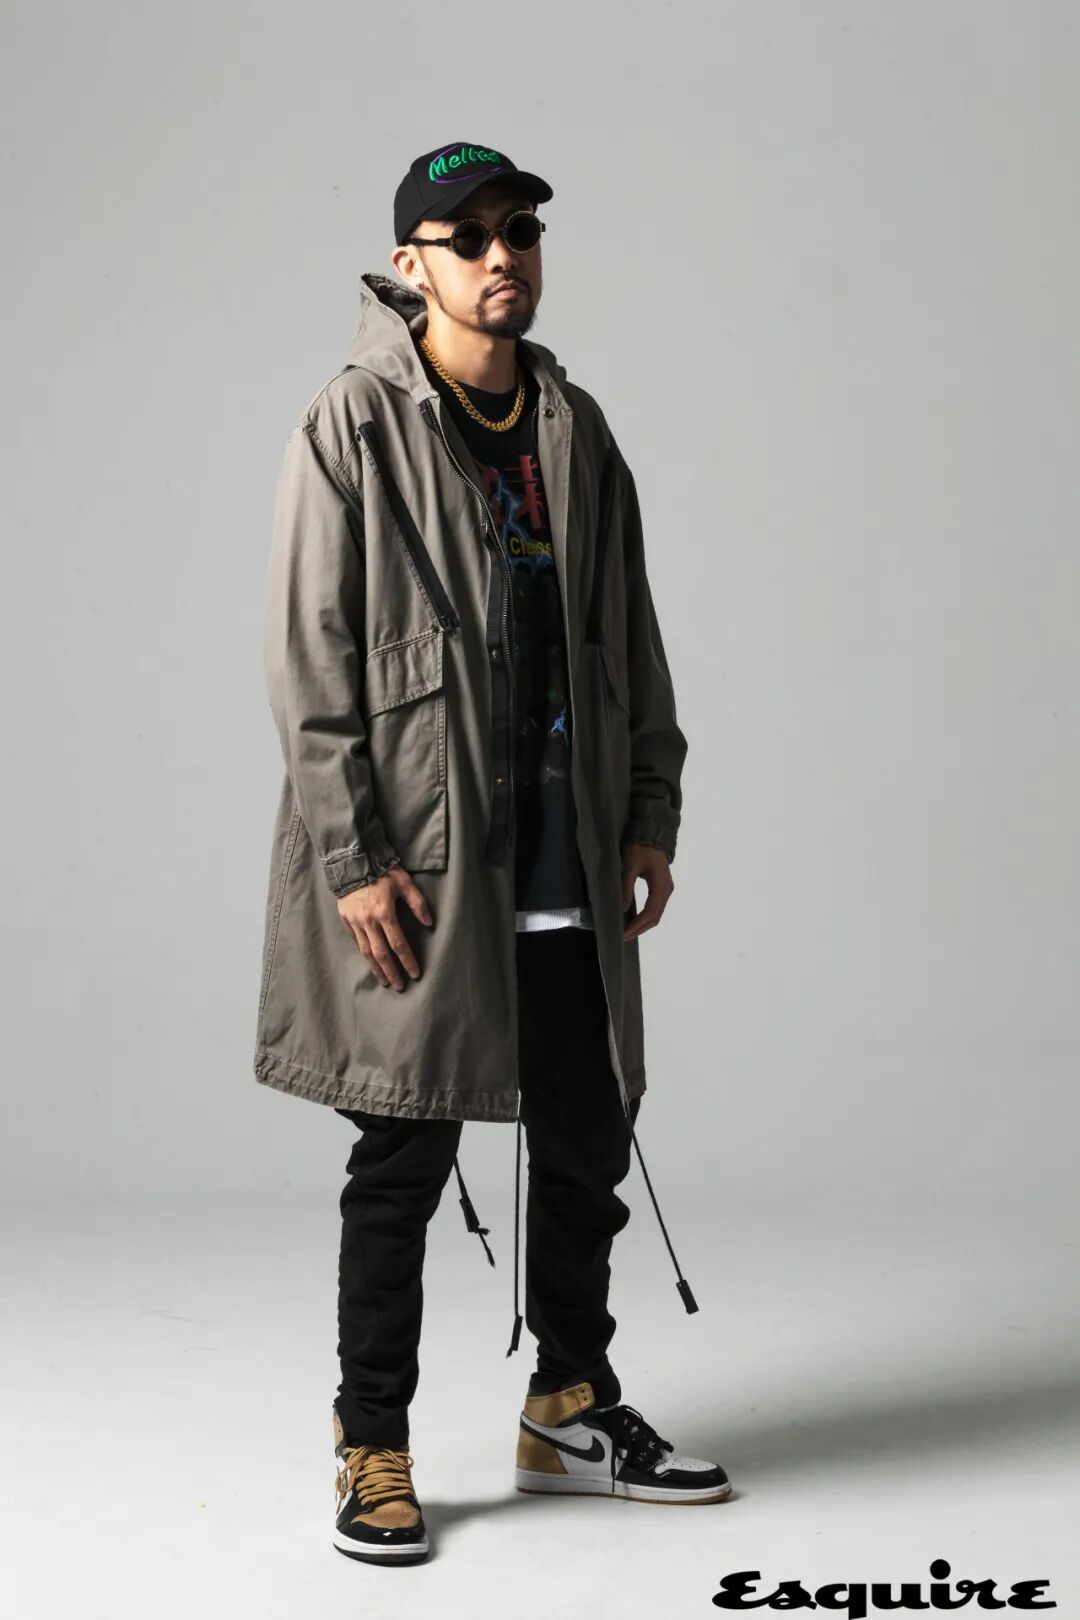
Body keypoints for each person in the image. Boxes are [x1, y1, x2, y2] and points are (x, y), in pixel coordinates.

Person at [254, 140, 732, 1567]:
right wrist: (352, 856)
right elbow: (309, 656)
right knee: (402, 1150)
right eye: (467, 238)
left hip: (564, 846)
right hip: (424, 852)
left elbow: (631, 633)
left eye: (519, 230)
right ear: (413, 266)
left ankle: (569, 1408)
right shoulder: (354, 423)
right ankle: (373, 1446)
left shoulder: (574, 426)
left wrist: (649, 808)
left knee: (588, 1134)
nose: (501, 255)